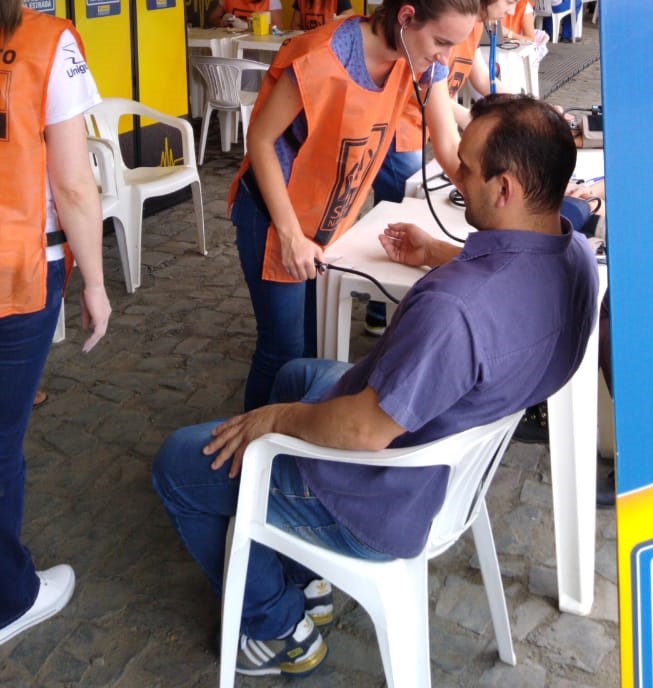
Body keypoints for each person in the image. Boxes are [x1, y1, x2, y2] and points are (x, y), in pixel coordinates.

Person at [153, 95, 598, 677]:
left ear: (507, 187)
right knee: (295, 375)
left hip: (377, 491)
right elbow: (503, 281)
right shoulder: (576, 255)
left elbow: (363, 431)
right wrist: (438, 253)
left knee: (179, 464)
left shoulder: (457, 311)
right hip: (449, 445)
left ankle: (279, 627)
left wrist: (275, 422)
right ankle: (299, 569)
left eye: (466, 168)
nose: (455, 177)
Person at [227, 0, 480, 409]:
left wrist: (489, 199)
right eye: (441, 42)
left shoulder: (422, 60)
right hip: (274, 215)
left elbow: (446, 145)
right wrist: (288, 236)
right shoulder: (319, 55)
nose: (445, 58)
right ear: (406, 17)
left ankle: (290, 443)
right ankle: (249, 460)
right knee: (281, 349)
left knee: (310, 344)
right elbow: (260, 142)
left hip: (325, 217)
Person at [0, 0, 112, 647]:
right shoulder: (47, 42)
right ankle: (9, 599)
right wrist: (97, 286)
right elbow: (74, 184)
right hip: (16, 273)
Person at [363, 0, 532, 335]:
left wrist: (522, 110)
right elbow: (443, 102)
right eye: (509, 1)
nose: (510, 10)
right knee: (395, 219)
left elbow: (474, 83)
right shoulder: (449, 22)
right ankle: (381, 305)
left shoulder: (466, 27)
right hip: (403, 130)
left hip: (430, 130)